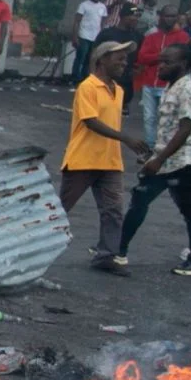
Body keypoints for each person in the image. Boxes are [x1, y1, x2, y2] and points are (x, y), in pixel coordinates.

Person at [119, 43, 191, 276]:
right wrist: (155, 157)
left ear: (183, 65)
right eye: (161, 61)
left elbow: (185, 129)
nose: (161, 66)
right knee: (139, 200)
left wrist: (159, 160)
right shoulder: (173, 87)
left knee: (188, 209)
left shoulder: (189, 90)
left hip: (179, 162)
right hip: (165, 159)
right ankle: (117, 250)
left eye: (167, 62)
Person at [60, 39, 149, 276]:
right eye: (118, 57)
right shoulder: (87, 87)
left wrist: (121, 141)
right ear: (102, 60)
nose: (124, 62)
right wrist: (126, 139)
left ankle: (107, 255)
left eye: (124, 57)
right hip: (84, 158)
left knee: (113, 210)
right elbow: (90, 122)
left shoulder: (117, 90)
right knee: (61, 208)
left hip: (109, 160)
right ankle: (31, 248)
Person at [133, 6, 189, 146]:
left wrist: (158, 57)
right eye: (168, 16)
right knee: (149, 117)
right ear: (161, 17)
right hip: (150, 82)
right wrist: (163, 56)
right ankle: (150, 146)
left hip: (169, 85)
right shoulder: (151, 36)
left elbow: (180, 59)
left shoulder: (182, 37)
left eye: (173, 16)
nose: (171, 19)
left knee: (167, 118)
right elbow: (142, 58)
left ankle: (162, 147)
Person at [93, 4, 144, 100]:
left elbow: (141, 57)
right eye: (133, 15)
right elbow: (94, 56)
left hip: (126, 84)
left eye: (138, 16)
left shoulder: (138, 36)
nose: (136, 19)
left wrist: (137, 71)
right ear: (123, 16)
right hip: (105, 80)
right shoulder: (107, 33)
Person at [71, 0, 108, 85]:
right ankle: (75, 79)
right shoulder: (84, 5)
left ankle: (85, 79)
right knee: (80, 58)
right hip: (84, 35)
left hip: (95, 37)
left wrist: (102, 37)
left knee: (90, 59)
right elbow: (77, 21)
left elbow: (103, 23)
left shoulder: (103, 7)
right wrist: (75, 36)